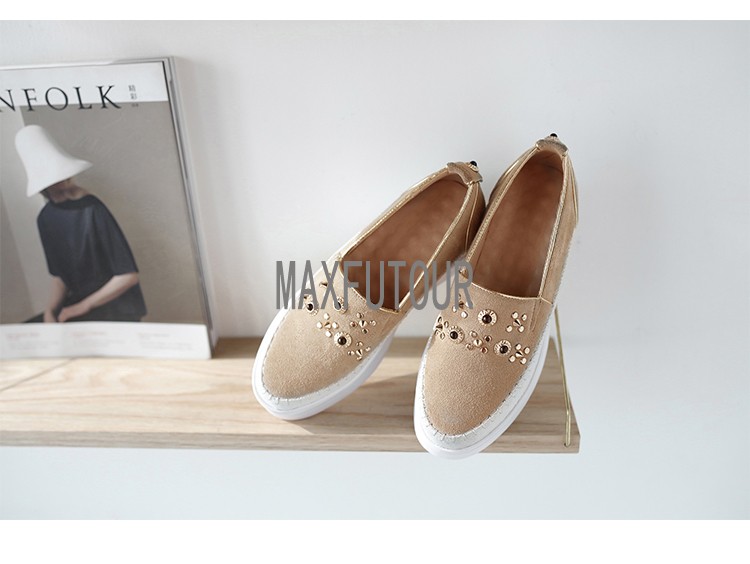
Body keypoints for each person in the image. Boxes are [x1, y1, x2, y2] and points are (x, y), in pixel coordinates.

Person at [15, 124, 147, 323]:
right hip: (78, 306)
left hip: (117, 308)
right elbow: (59, 276)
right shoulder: (45, 218)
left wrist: (83, 306)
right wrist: (50, 310)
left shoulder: (92, 209)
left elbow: (128, 276)